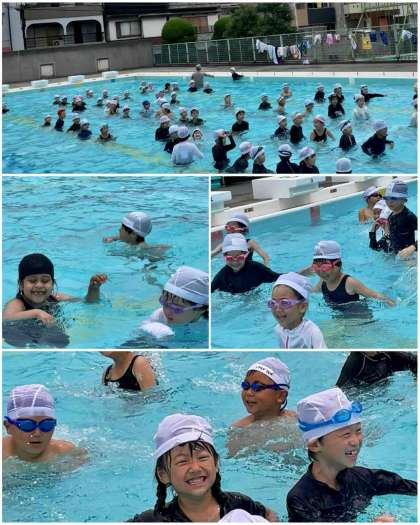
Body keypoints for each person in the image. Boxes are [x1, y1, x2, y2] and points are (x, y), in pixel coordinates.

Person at [287, 387, 417, 522]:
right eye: (346, 434)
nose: (356, 441)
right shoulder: (301, 500)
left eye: (358, 431)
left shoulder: (363, 478)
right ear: (315, 445)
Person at [127, 413, 277, 522]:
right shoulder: (153, 520)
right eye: (182, 461)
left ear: (216, 463)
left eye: (203, 458)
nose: (195, 468)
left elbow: (269, 515)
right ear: (163, 474)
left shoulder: (239, 505)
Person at [3, 253, 108, 325]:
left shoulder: (56, 297)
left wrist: (93, 289)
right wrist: (36, 313)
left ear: (53, 284)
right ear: (21, 284)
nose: (39, 285)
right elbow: (5, 318)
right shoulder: (17, 303)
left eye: (45, 280)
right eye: (32, 280)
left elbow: (87, 302)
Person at [3, 384, 77, 462]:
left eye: (47, 425)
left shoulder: (68, 454)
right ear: (8, 426)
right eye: (27, 425)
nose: (37, 433)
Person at [311, 240, 395, 306]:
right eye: (316, 266)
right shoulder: (322, 283)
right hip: (340, 317)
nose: (320, 271)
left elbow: (374, 295)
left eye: (325, 266)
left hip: (359, 317)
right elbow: (311, 293)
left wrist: (390, 302)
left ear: (338, 265)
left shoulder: (349, 283)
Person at [140, 266, 208, 338]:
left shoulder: (208, 326)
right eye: (165, 303)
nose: (167, 311)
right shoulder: (160, 316)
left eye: (176, 309)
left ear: (201, 309)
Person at [232, 358, 296, 428]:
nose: (248, 393)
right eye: (245, 386)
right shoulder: (239, 428)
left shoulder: (295, 421)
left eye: (258, 387)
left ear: (281, 396)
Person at [269, 272, 326, 349]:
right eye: (273, 303)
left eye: (284, 303)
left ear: (302, 307)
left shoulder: (312, 332)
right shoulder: (278, 329)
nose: (278, 309)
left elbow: (323, 354)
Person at [211, 234, 281, 294]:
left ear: (246, 255)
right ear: (224, 257)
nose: (235, 262)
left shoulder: (257, 269)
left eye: (240, 257)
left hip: (255, 293)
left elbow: (279, 277)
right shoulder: (222, 275)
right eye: (230, 258)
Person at [336, 351, 417, 387]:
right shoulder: (355, 360)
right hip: (362, 391)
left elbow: (415, 361)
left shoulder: (389, 354)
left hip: (387, 386)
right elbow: (339, 388)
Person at [384, 179, 417, 257]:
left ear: (404, 200)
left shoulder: (409, 217)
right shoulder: (391, 216)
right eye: (387, 198)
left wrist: (413, 247)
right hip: (396, 253)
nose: (389, 201)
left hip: (409, 256)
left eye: (393, 198)